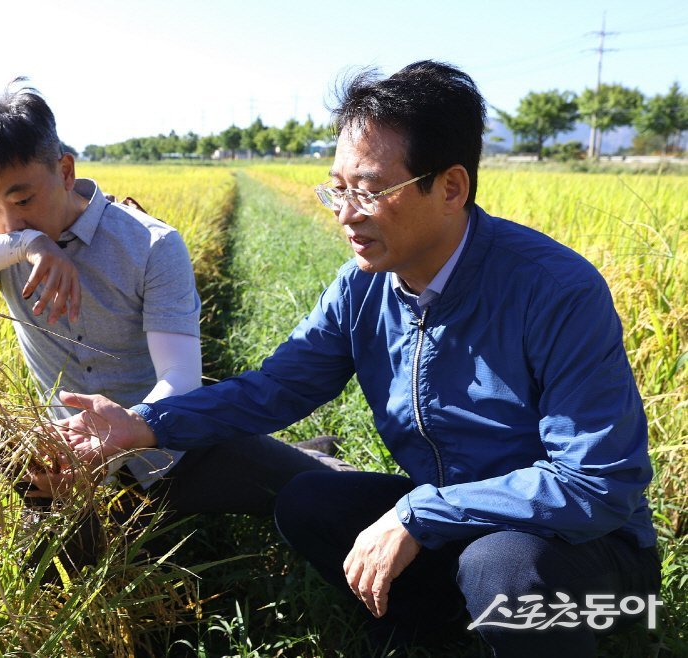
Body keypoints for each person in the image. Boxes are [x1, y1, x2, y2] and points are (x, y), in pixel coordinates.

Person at [58, 61, 661, 655]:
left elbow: (597, 484)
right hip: (454, 522)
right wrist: (143, 424)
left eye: (369, 191)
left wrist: (421, 513)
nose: (346, 214)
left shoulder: (554, 291)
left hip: (588, 556)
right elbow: (276, 387)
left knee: (502, 566)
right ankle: (431, 622)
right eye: (338, 189)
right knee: (310, 503)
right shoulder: (363, 287)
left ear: (450, 188)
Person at [0, 79, 351, 538]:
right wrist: (24, 244)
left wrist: (127, 432)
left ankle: (307, 456)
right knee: (45, 564)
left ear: (65, 171)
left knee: (325, 493)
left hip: (173, 445)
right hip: (70, 460)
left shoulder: (150, 244)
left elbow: (181, 377)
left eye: (23, 199)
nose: (9, 221)